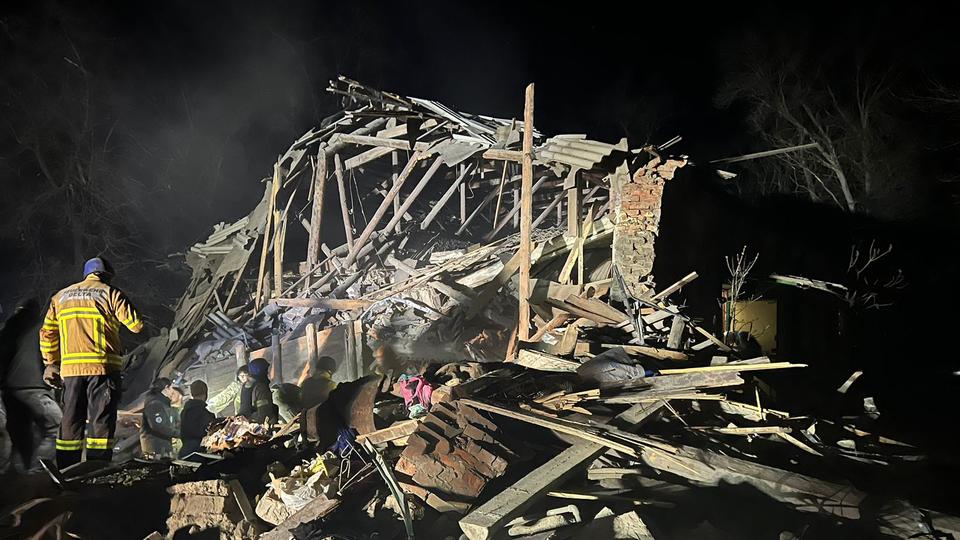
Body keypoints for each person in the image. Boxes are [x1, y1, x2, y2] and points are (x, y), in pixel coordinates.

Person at [40, 257, 143, 468]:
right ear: (107, 275)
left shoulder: (60, 297)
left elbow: (47, 333)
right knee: (101, 421)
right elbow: (136, 325)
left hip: (70, 371)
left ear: (86, 274)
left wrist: (51, 363)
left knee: (70, 420)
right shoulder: (110, 293)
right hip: (102, 368)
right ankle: (96, 468)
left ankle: (67, 467)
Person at [0, 298, 62, 472]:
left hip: (9, 392)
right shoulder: (41, 328)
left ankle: (14, 477)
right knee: (57, 428)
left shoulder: (6, 329)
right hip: (35, 389)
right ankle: (37, 469)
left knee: (19, 438)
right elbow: (49, 355)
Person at [140, 377, 179, 460]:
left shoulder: (162, 403)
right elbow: (159, 426)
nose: (172, 392)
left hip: (161, 450)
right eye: (171, 388)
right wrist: (179, 433)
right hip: (156, 452)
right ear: (166, 388)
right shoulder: (154, 404)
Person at [179, 380, 215, 458]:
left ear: (192, 394)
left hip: (185, 452)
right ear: (205, 394)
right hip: (199, 454)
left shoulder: (184, 412)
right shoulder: (205, 414)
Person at [239, 358, 278, 424]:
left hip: (246, 420)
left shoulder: (245, 385)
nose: (267, 372)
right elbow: (264, 413)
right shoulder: (261, 388)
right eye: (265, 370)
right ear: (260, 371)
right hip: (258, 423)